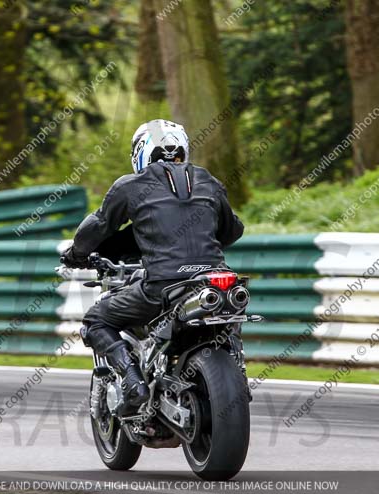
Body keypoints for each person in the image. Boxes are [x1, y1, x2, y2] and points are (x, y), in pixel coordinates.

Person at [60, 119, 244, 412]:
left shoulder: (131, 185)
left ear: (141, 153)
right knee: (227, 315)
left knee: (96, 320)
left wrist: (76, 253)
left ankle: (134, 382)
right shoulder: (208, 179)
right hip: (214, 279)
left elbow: (98, 226)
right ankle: (237, 368)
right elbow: (233, 231)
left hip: (162, 285)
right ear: (183, 150)